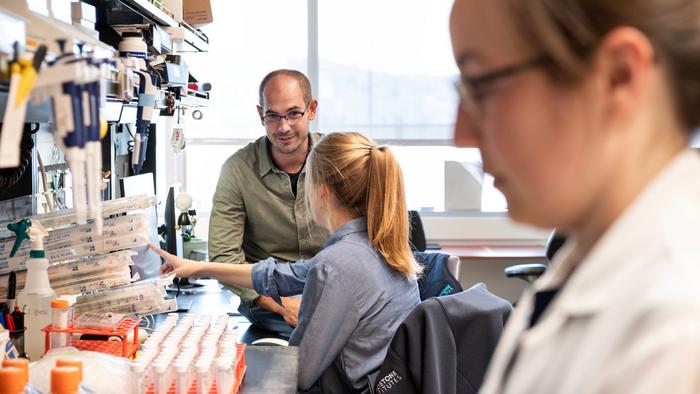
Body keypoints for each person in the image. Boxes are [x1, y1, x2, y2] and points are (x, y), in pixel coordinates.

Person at [449, 0, 700, 392]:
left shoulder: (675, 328)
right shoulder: (581, 267)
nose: (460, 134)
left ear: (619, 75)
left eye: (482, 86)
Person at [154, 132, 422, 392]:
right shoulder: (374, 243)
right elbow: (283, 275)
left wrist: (224, 359)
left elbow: (301, 374)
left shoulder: (335, 265)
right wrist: (200, 268)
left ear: (323, 191)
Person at [208, 69, 330, 337]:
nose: (283, 127)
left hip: (334, 293)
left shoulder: (339, 162)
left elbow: (368, 239)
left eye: (293, 113)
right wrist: (278, 303)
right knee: (308, 343)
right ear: (260, 114)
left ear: (312, 109)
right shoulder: (237, 170)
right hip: (268, 299)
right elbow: (223, 256)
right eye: (272, 116)